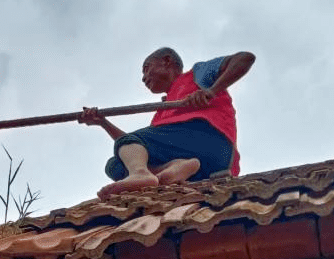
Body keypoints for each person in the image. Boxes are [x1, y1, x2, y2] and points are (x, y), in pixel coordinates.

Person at [80, 47, 255, 198]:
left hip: (212, 142)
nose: (143, 78)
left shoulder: (197, 74)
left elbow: (244, 58)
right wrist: (103, 123)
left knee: (135, 149)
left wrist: (210, 91)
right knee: (115, 165)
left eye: (147, 68)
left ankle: (141, 173)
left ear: (166, 61)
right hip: (203, 169)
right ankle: (175, 167)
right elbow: (133, 147)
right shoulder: (163, 110)